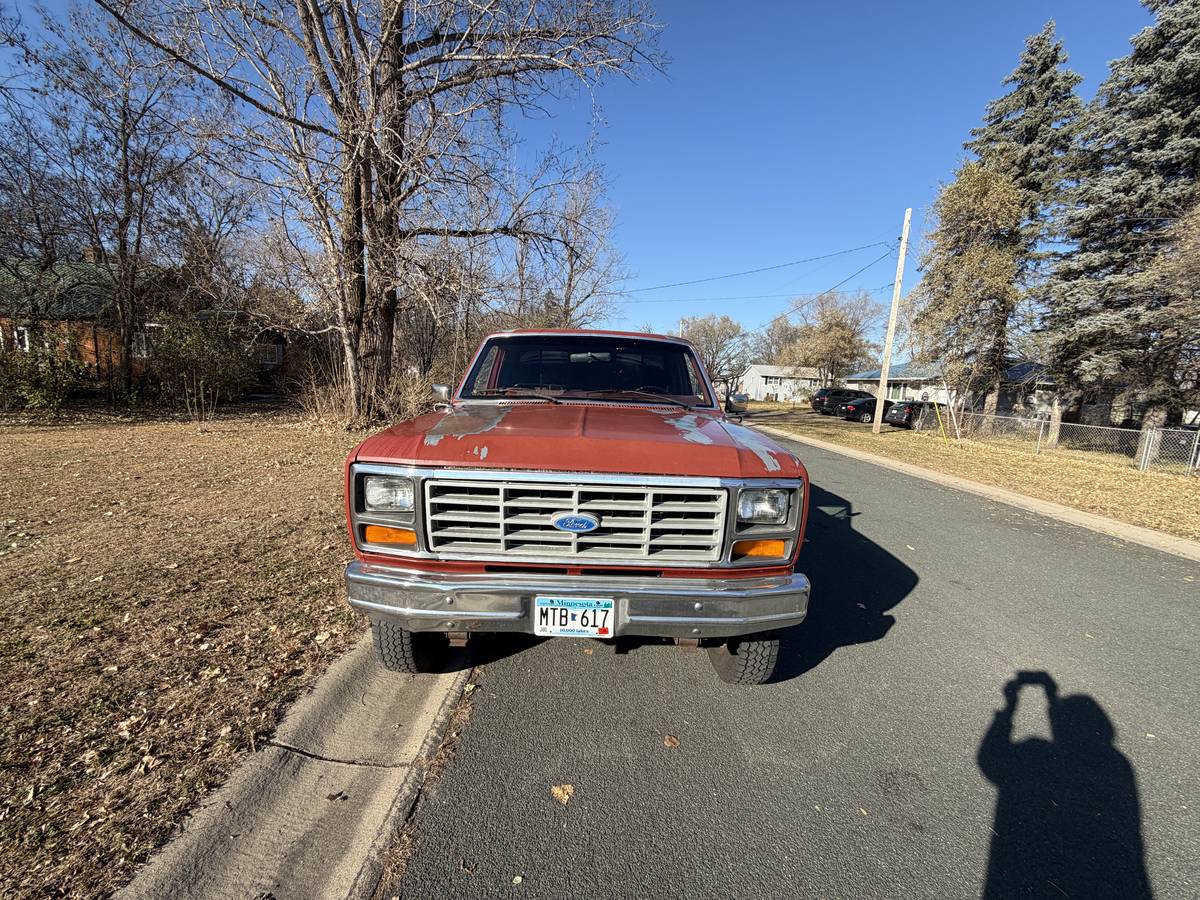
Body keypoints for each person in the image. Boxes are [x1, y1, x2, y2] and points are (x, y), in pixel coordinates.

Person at [977, 671, 1153, 899]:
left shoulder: (1034, 756)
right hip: (1106, 881)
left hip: (1029, 875)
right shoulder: (1115, 764)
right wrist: (1050, 698)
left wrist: (1010, 704)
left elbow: (992, 761)